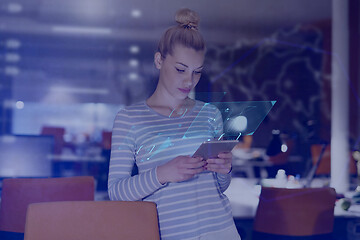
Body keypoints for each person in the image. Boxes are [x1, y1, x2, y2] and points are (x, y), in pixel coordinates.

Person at [108, 8, 241, 240]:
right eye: (180, 69)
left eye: (197, 72)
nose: (189, 80)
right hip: (173, 234)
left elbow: (219, 188)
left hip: (223, 230)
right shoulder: (129, 119)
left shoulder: (210, 114)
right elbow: (117, 192)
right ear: (159, 60)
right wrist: (163, 173)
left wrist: (224, 170)